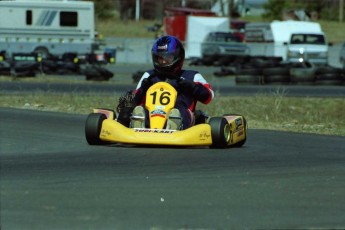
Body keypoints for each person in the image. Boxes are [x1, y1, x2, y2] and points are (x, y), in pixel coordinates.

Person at [131, 35, 214, 130]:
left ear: (178, 57)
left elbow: (209, 97)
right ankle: (139, 124)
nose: (163, 62)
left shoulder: (192, 76)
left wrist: (193, 87)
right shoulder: (148, 76)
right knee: (141, 109)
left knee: (178, 111)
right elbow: (135, 101)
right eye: (159, 58)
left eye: (167, 58)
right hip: (153, 113)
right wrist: (142, 89)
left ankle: (174, 124)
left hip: (182, 114)